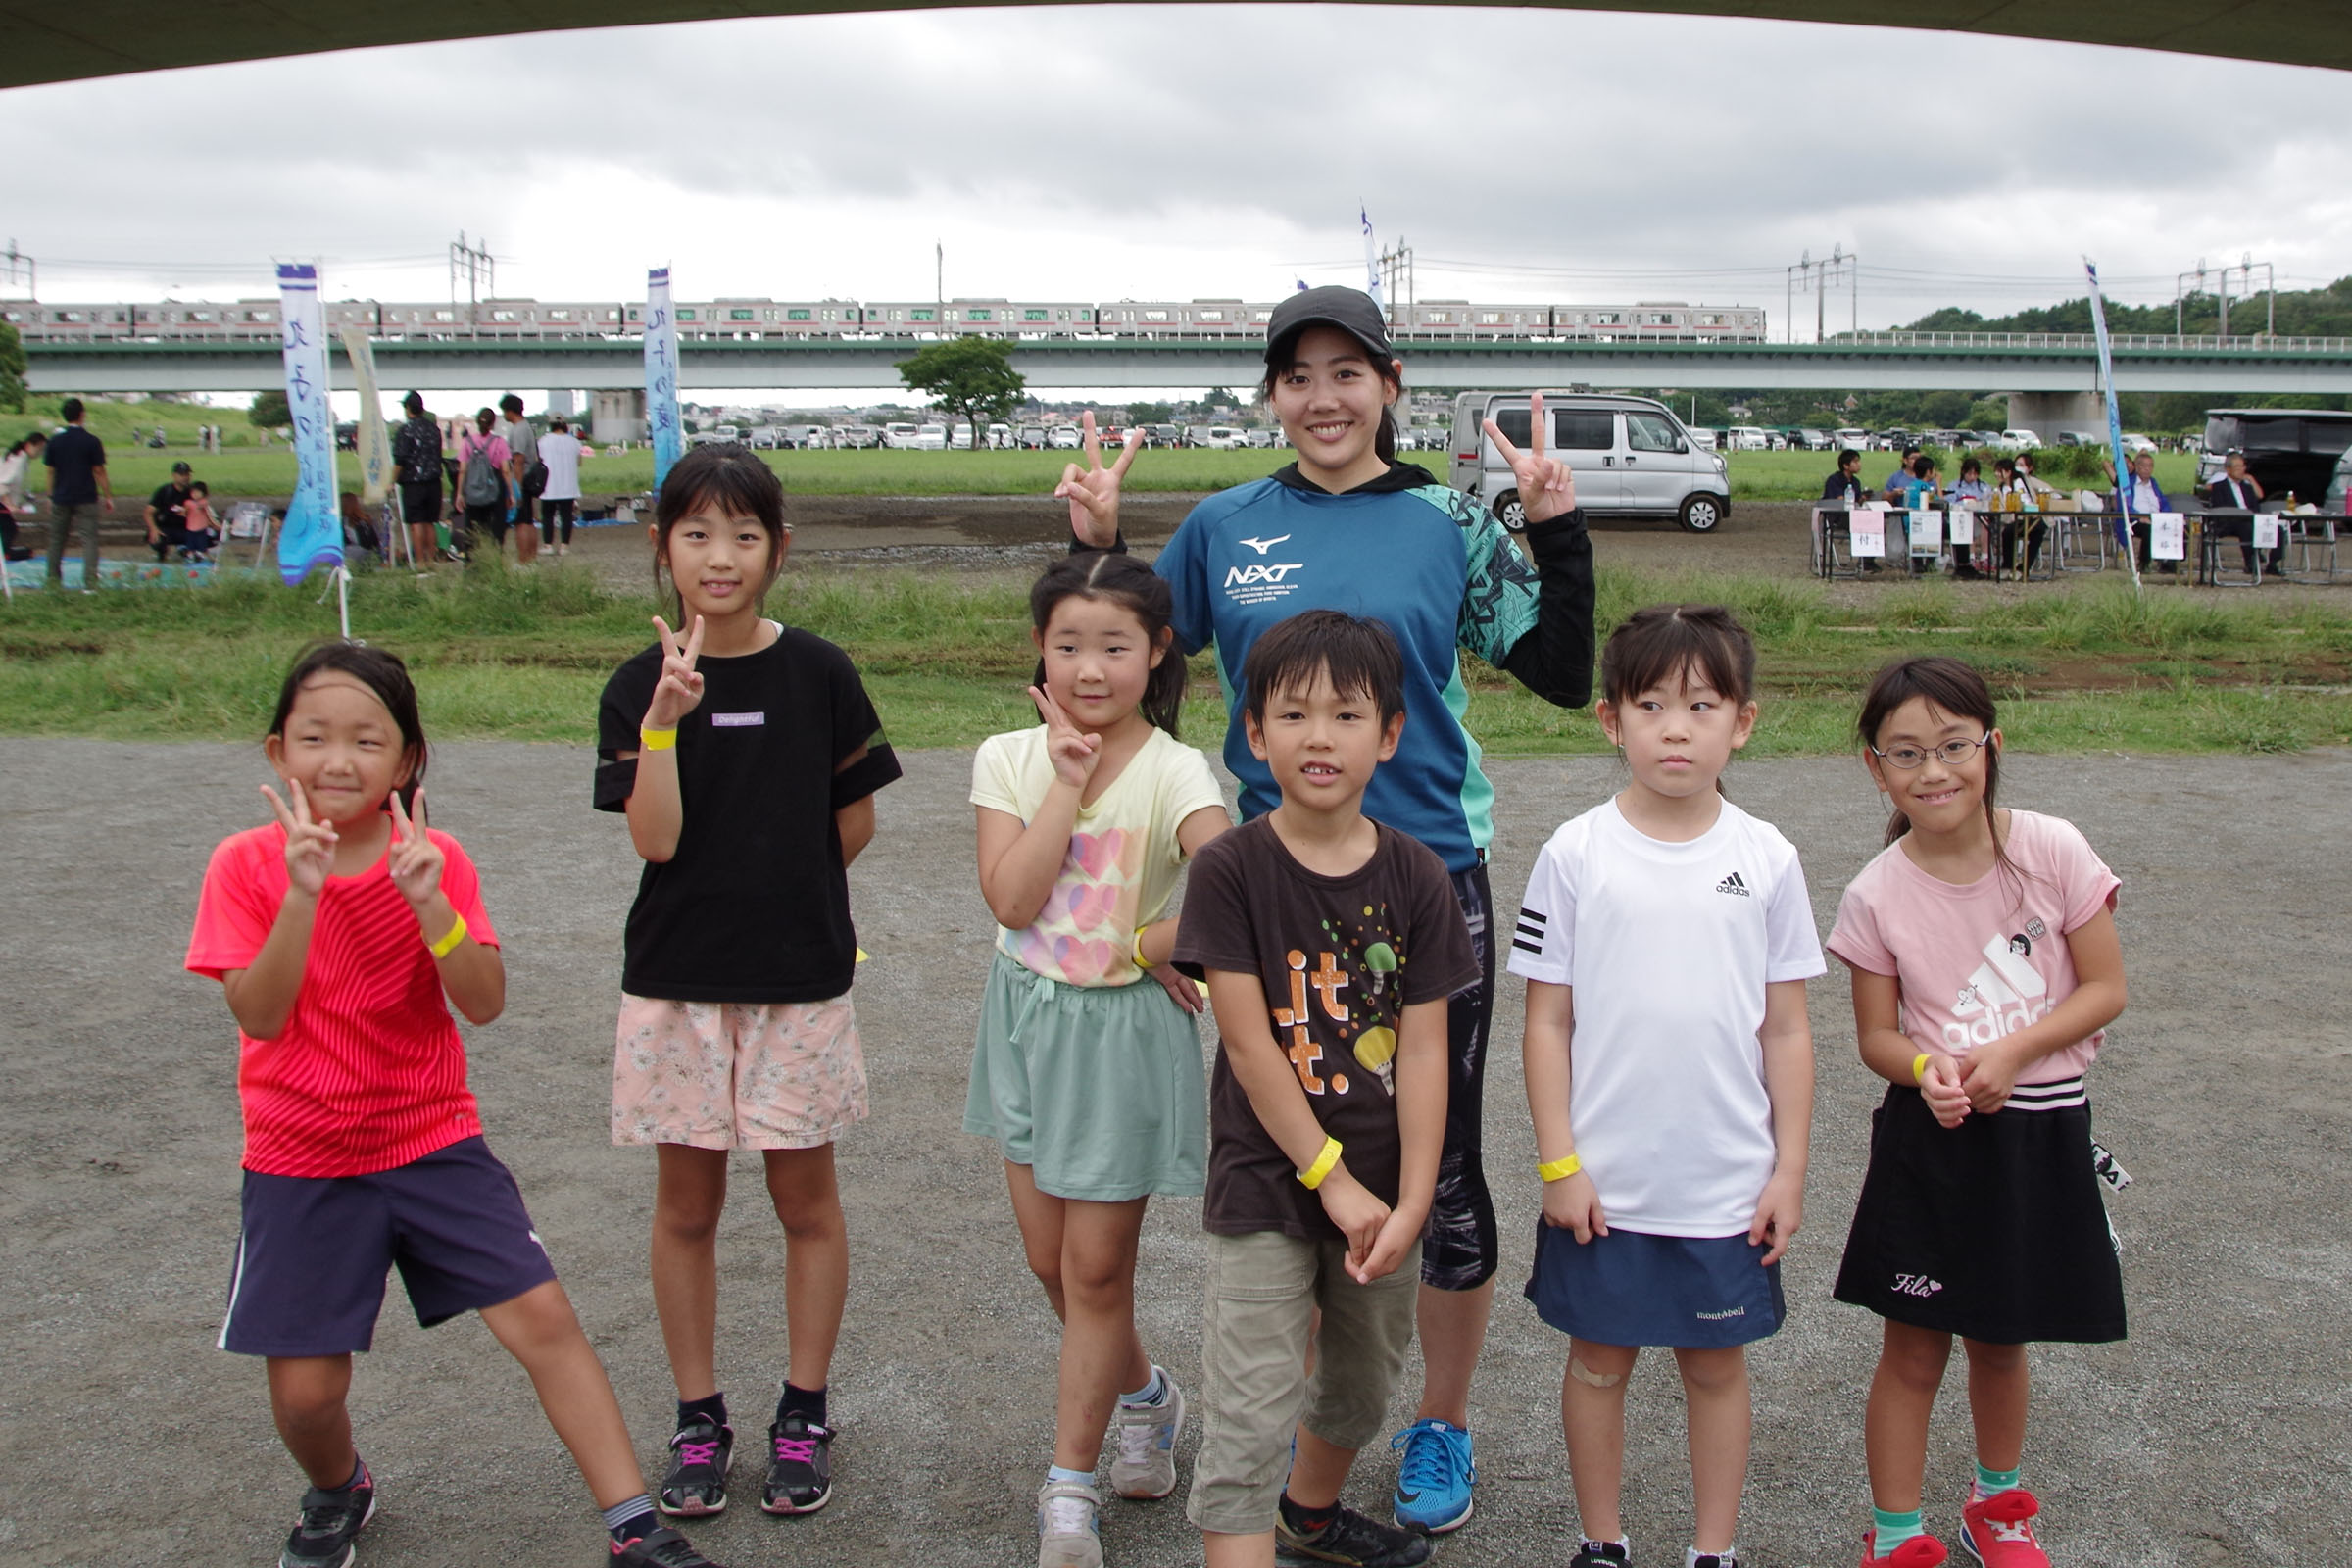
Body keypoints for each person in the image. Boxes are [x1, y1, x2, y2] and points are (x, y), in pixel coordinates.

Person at [1064, 286, 1595, 1536]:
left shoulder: (1447, 520)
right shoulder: (1225, 523)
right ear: (1271, 396)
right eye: (1296, 376)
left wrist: (1554, 528)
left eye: (1347, 372)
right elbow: (1129, 669)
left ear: (1390, 384)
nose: (1323, 398)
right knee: (1295, 1147)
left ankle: (1439, 1426)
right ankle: (1300, 1437)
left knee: (1436, 1162)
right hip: (1276, 888)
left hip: (1425, 877)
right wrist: (1103, 546)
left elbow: (1564, 674)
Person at [185, 643, 724, 1568]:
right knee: (309, 1394)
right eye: (315, 738)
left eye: (367, 740)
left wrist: (429, 903)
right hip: (300, 1158)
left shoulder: (434, 860)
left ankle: (633, 1525)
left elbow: (482, 1000)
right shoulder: (243, 865)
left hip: (432, 1141)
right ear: (279, 754)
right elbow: (260, 1014)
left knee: (544, 1323)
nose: (339, 760)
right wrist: (302, 897)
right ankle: (336, 1487)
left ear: (407, 761)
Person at [595, 443, 902, 1527]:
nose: (720, 558)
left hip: (797, 980)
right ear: (662, 547)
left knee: (804, 1202)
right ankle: (697, 1416)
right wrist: (668, 718)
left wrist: (786, 891)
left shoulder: (819, 670)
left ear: (778, 546)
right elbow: (658, 838)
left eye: (743, 534)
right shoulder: (636, 685)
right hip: (676, 980)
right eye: (696, 535)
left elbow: (851, 819)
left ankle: (804, 1409)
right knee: (687, 1208)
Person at [1510, 605, 1822, 1568]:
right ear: (1611, 720)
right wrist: (1559, 1162)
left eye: (1701, 703)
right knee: (1598, 1365)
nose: (1676, 726)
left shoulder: (1767, 858)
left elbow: (1788, 1026)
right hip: (1604, 1182)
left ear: (1745, 720)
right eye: (1651, 704)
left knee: (1715, 1370)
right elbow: (1545, 1022)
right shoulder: (1573, 853)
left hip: (1725, 1184)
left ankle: (1713, 1550)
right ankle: (1601, 1541)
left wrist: (1790, 1171)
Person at [1171, 610, 1478, 1568]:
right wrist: (1331, 1175)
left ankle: (1310, 1511)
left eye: (1346, 714)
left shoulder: (1419, 876)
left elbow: (1427, 1052)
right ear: (1253, 732)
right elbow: (1251, 1042)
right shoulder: (1230, 870)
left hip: (1386, 1193)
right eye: (1293, 713)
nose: (1318, 736)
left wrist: (1414, 1198)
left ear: (1389, 734)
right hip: (1268, 1179)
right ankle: (1254, 1528)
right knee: (1251, 1408)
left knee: (1356, 1386)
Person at [1829, 656, 2128, 1568]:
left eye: (1954, 745)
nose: (1935, 771)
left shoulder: (2052, 849)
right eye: (1907, 753)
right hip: (1933, 1140)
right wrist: (1930, 1068)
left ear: (1991, 747)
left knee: (2001, 1342)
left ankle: (1997, 1510)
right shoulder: (1875, 891)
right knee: (1913, 1352)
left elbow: (2107, 988)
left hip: (2041, 1129)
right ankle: (1896, 1536)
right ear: (1876, 768)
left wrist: (2013, 1053)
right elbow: (1877, 1038)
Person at [967, 552, 1231, 1568]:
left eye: (1116, 646)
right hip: (1027, 1020)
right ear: (1040, 647)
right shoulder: (1005, 757)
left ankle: (1068, 1486)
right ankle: (1148, 1397)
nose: (1090, 667)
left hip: (1121, 1034)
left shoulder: (1175, 770)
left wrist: (1150, 944)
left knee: (1094, 1266)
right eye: (1069, 643)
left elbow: (1233, 868)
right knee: (1052, 1264)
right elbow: (1013, 901)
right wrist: (1066, 785)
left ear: (1156, 652)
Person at [42, 397, 112, 589]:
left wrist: (49, 495)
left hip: (61, 495)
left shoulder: (55, 442)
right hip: (86, 496)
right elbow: (99, 471)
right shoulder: (91, 441)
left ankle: (52, 582)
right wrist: (107, 495)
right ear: (82, 415)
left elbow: (50, 471)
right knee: (89, 539)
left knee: (57, 539)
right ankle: (90, 583)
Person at [2204, 451, 2280, 577]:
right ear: (2228, 470)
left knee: (2277, 529)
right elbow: (2219, 508)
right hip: (2228, 522)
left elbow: (2258, 500)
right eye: (2237, 467)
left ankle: (2272, 563)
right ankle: (2250, 562)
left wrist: (2251, 479)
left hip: (2249, 519)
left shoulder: (2247, 487)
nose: (2241, 470)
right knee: (2245, 527)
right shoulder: (2219, 487)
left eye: (2243, 466)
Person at [392, 392, 445, 566]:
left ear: (408, 409)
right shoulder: (434, 430)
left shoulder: (405, 431)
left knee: (416, 523)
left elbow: (400, 459)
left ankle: (420, 561)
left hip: (413, 483)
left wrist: (392, 480)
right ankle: (432, 559)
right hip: (434, 482)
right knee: (431, 522)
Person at [2104, 450, 2174, 574]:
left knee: (2180, 527)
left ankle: (2169, 563)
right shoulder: (2128, 484)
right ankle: (2144, 563)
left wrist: (2168, 516)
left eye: (2150, 466)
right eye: (2143, 466)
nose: (2147, 469)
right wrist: (2138, 517)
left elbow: (2163, 502)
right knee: (2148, 529)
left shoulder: (2153, 483)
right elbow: (2124, 505)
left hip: (2156, 518)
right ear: (2137, 467)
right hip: (2135, 520)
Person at [456, 409, 511, 560]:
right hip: (495, 491)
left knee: (472, 529)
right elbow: (505, 470)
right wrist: (511, 493)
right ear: (493, 423)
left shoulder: (467, 442)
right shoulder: (500, 442)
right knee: (495, 530)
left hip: (473, 491)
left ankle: (472, 564)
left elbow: (462, 470)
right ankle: (494, 562)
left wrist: (459, 493)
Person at [499, 393, 543, 564]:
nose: (503, 414)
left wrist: (515, 489)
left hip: (522, 480)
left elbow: (518, 460)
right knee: (529, 521)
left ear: (510, 411)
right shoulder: (527, 428)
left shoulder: (518, 431)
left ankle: (524, 559)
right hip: (530, 478)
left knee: (521, 523)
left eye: (504, 411)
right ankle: (531, 559)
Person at [538, 416, 585, 557]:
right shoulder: (575, 442)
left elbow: (538, 460)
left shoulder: (543, 441)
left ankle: (548, 545)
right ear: (565, 426)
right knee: (566, 516)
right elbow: (579, 462)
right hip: (568, 485)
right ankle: (564, 546)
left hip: (549, 485)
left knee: (547, 515)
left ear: (551, 426)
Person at [0, 430, 47, 562]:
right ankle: (5, 554)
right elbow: (2, 483)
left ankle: (6, 553)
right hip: (2, 502)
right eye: (39, 449)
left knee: (9, 529)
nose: (40, 453)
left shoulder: (22, 459)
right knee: (9, 529)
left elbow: (15, 483)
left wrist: (26, 497)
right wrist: (9, 504)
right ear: (30, 445)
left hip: (4, 501)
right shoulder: (18, 459)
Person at [1944, 458, 1990, 579]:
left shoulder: (1983, 486)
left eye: (1975, 474)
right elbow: (1950, 502)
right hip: (1962, 518)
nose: (1972, 477)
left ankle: (1985, 556)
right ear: (1963, 472)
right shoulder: (1954, 486)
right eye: (1969, 473)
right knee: (1967, 520)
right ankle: (1970, 556)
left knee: (1985, 521)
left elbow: (1988, 501)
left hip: (1980, 518)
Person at [146, 460, 197, 562]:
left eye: (187, 474)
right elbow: (148, 512)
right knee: (158, 540)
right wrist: (153, 529)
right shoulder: (164, 491)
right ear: (174, 475)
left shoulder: (194, 492)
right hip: (166, 529)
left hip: (185, 529)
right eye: (182, 474)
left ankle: (187, 551)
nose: (185, 477)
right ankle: (162, 555)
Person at [182, 481, 219, 561]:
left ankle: (205, 555)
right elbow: (185, 512)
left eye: (198, 492)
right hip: (191, 529)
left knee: (202, 545)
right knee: (190, 545)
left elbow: (209, 516)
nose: (195, 494)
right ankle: (190, 555)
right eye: (193, 492)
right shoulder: (188, 503)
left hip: (201, 529)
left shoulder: (204, 503)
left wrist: (216, 525)